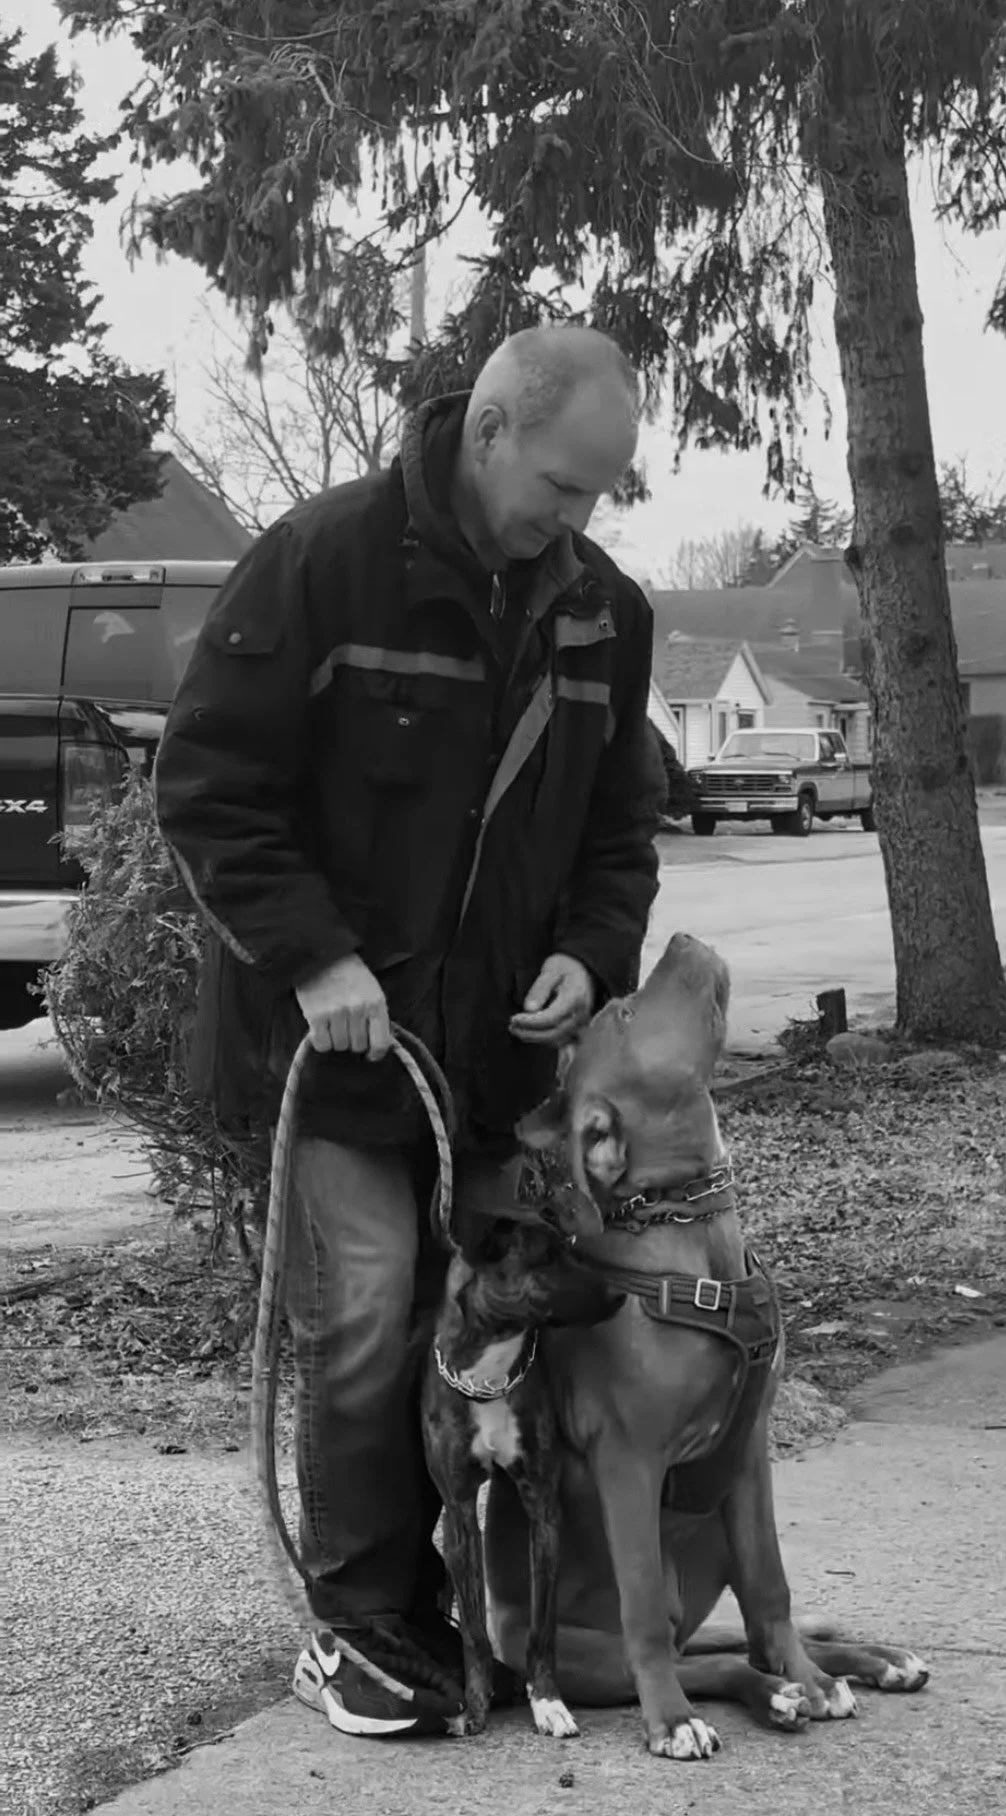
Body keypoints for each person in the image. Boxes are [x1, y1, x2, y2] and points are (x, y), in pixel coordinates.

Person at [153, 323, 665, 1740]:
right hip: (330, 1051)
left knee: (482, 1327)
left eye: (598, 495)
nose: (576, 519)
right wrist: (315, 958)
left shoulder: (603, 616)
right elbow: (208, 787)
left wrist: (586, 950)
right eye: (562, 486)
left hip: (492, 1069)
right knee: (371, 1316)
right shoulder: (325, 561)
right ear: (491, 428)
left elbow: (620, 829)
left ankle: (471, 1613)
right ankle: (359, 1623)